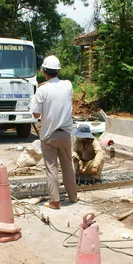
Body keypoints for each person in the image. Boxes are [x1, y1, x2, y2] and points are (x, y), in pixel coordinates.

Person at [30, 55, 78, 209]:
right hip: (65, 134)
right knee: (67, 166)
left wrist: (39, 90)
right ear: (58, 70)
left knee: (51, 168)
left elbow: (36, 115)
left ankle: (55, 201)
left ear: (43, 71)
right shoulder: (68, 85)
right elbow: (61, 88)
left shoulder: (42, 90)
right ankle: (73, 197)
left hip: (49, 135)